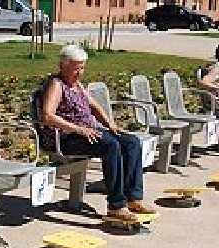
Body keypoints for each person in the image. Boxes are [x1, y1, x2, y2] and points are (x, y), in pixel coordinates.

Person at [40, 44, 155, 223]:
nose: (80, 73)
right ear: (62, 66)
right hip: (65, 138)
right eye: (76, 68)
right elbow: (48, 116)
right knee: (110, 145)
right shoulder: (56, 84)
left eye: (82, 68)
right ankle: (116, 205)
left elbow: (93, 106)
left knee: (131, 142)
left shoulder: (76, 84)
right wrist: (79, 129)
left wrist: (111, 125)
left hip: (87, 133)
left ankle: (133, 198)